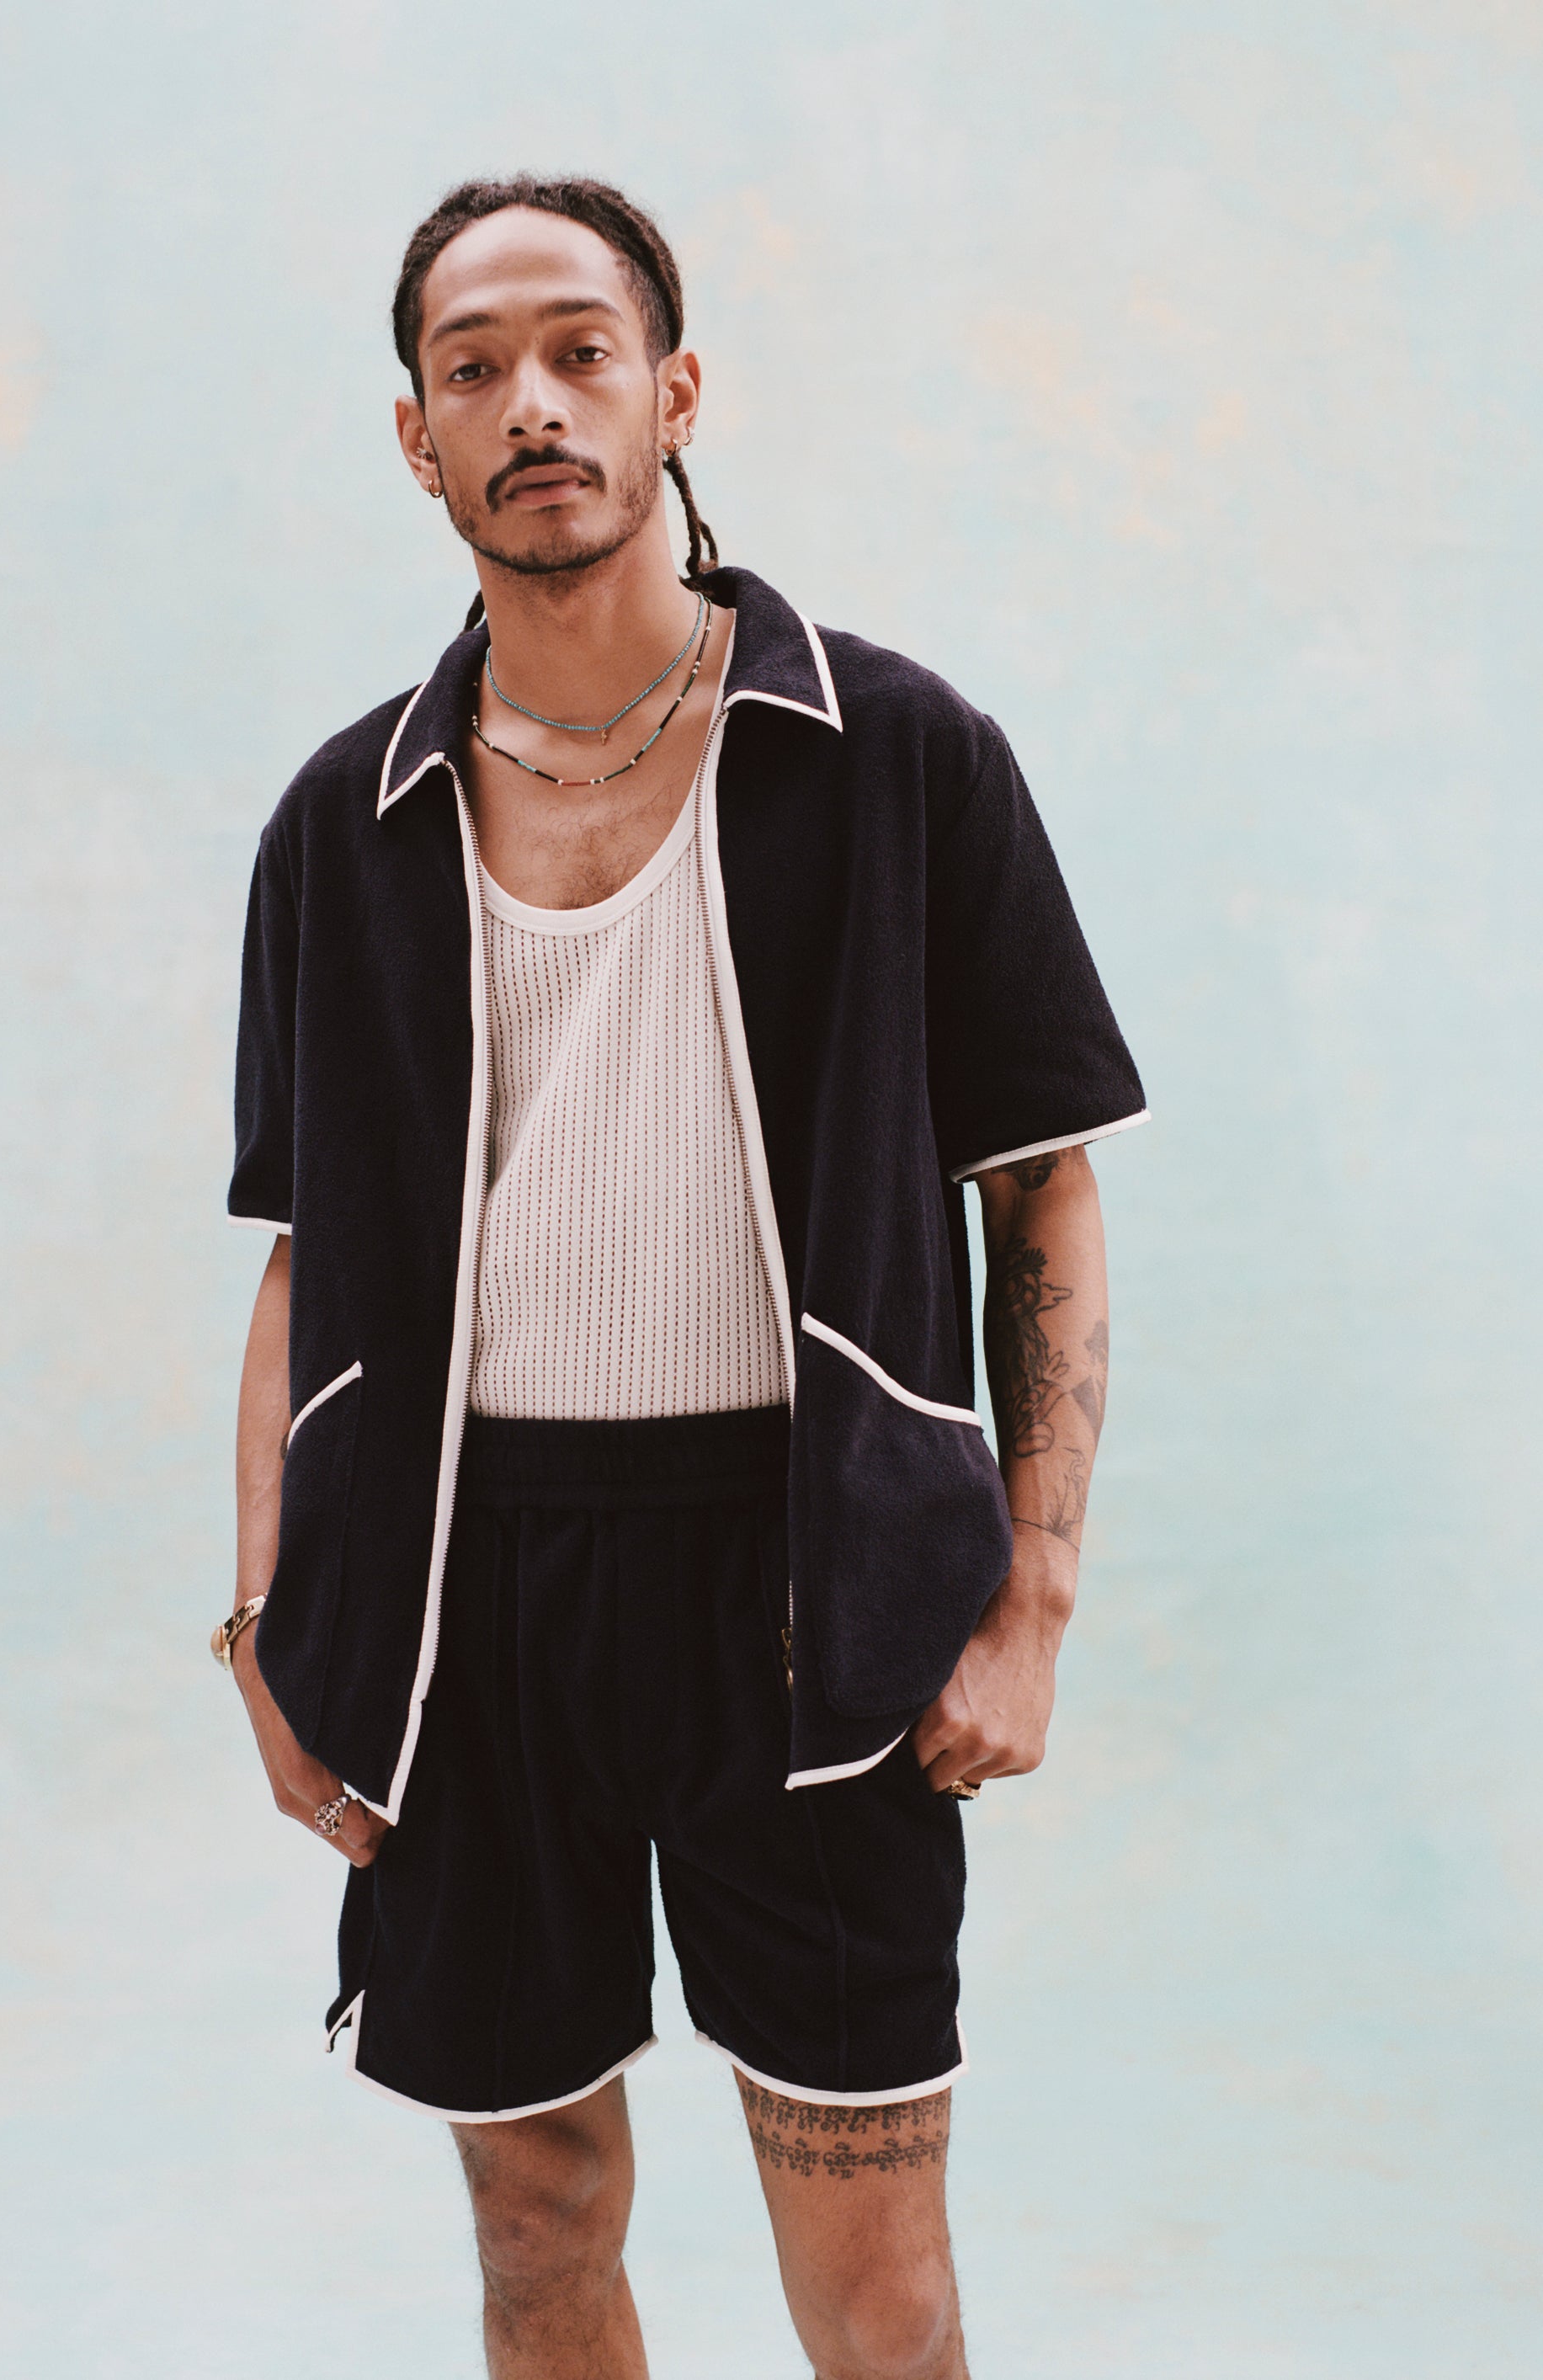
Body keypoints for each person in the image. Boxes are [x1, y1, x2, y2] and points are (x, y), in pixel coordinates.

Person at [216, 174, 1147, 2380]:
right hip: (469, 1588)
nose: (531, 403)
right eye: (473, 369)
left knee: (877, 2278)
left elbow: (1042, 1192)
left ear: (674, 390)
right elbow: (302, 1263)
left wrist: (1030, 1602)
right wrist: (265, 1634)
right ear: (418, 437)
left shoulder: (896, 757)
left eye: (580, 349)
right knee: (538, 2228)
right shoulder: (344, 822)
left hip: (809, 1573)